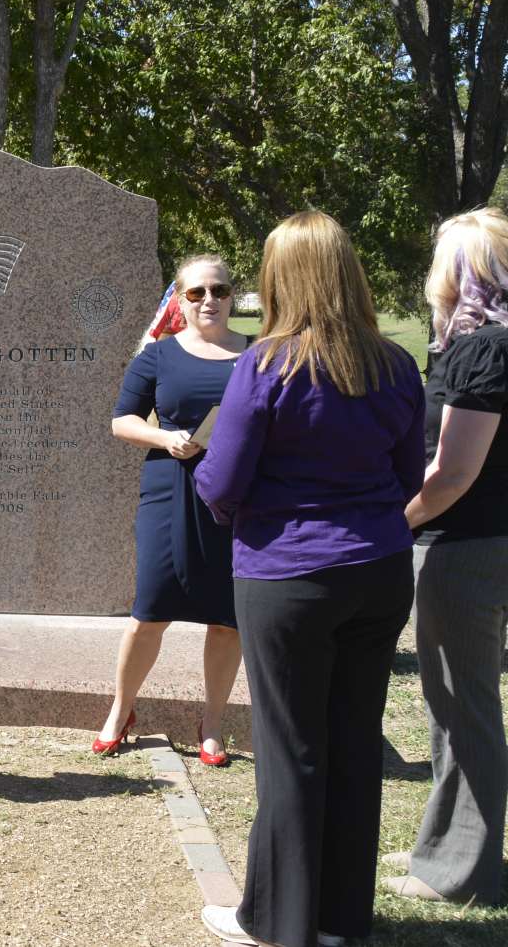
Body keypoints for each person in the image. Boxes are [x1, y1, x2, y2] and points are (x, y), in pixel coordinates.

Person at [193, 211, 425, 947]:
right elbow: (408, 476)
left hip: (288, 574)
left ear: (280, 277)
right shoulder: (396, 365)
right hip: (379, 569)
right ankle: (340, 920)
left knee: (291, 750)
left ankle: (282, 923)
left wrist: (225, 500)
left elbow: (221, 479)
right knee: (355, 741)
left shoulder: (265, 365)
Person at [382, 207, 508, 907]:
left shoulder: (483, 349)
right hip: (484, 543)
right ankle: (446, 840)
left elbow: (453, 473)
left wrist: (389, 525)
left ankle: (459, 869)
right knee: (453, 706)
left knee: (464, 710)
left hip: (465, 549)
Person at [95, 255, 247, 765]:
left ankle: (212, 724)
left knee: (228, 618)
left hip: (236, 497)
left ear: (232, 295)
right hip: (170, 489)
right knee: (150, 610)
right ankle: (120, 711)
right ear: (180, 299)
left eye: (220, 290)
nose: (210, 300)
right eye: (197, 292)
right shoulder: (158, 355)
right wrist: (166, 437)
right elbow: (122, 421)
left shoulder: (257, 354)